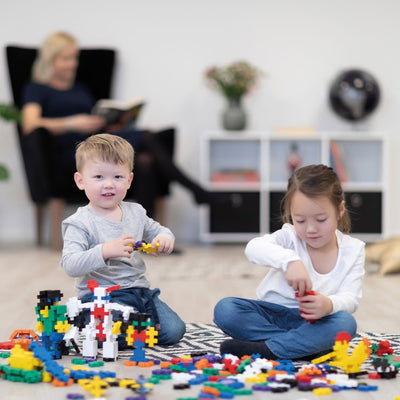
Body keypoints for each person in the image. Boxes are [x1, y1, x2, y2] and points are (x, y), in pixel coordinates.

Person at [21, 31, 224, 249]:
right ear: (50, 59)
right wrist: (71, 123)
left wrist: (110, 123)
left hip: (97, 143)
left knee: (145, 160)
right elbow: (30, 124)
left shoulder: (80, 88)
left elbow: (93, 119)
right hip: (71, 153)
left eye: (74, 58)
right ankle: (197, 191)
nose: (73, 63)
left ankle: (144, 240)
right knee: (148, 137)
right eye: (66, 58)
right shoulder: (36, 88)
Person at [213, 164, 365, 360]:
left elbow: (351, 298)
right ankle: (304, 347)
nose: (310, 229)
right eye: (300, 220)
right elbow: (253, 248)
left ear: (340, 210)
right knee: (226, 309)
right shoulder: (289, 237)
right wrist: (290, 261)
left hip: (315, 322)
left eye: (320, 219)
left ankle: (268, 349)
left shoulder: (354, 249)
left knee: (345, 323)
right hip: (272, 315)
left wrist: (328, 304)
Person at [61, 133, 186, 346]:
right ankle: (121, 331)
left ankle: (133, 330)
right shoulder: (79, 222)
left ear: (129, 180)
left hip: (140, 292)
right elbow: (70, 265)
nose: (109, 184)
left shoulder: (136, 212)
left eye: (118, 177)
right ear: (80, 181)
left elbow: (160, 231)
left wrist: (164, 239)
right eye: (99, 177)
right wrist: (105, 251)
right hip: (100, 297)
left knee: (174, 331)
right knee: (110, 336)